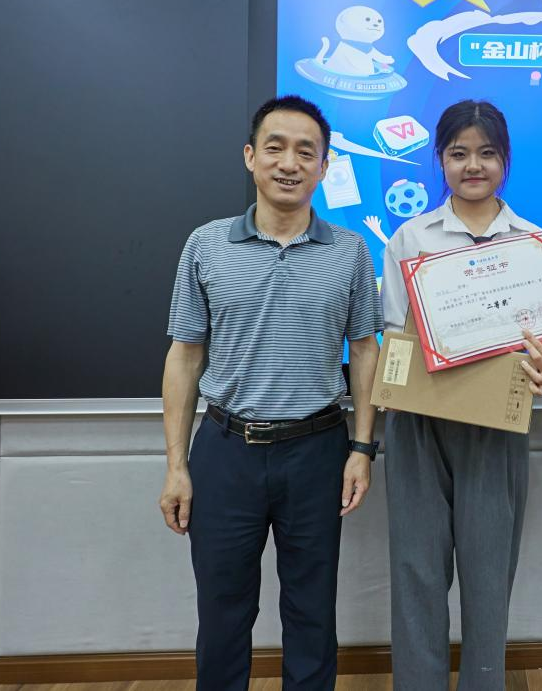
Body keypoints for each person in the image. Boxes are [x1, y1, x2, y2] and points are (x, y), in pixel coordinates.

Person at [159, 95, 383, 691]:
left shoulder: (350, 251)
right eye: (275, 148)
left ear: (324, 166)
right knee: (222, 612)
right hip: (225, 450)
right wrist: (177, 466)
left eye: (306, 152)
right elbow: (184, 356)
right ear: (250, 157)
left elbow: (365, 350)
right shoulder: (206, 245)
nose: (289, 163)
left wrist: (362, 449)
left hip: (317, 450)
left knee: (312, 612)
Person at [378, 99, 542, 690]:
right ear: (440, 160)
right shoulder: (411, 237)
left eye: (487, 153)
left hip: (497, 424)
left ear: (505, 161)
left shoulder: (531, 241)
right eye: (459, 153)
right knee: (416, 571)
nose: (473, 166)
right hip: (418, 423)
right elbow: (393, 333)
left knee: (489, 575)